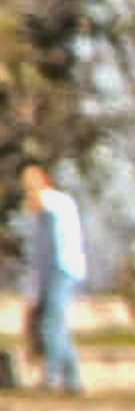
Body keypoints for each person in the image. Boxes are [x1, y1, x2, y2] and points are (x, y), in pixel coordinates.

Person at [19, 160, 87, 393]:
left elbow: (48, 203)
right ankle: (73, 379)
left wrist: (37, 192)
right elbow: (39, 257)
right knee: (57, 325)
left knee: (51, 324)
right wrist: (34, 290)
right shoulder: (40, 218)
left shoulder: (57, 203)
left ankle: (51, 376)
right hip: (51, 273)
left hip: (64, 269)